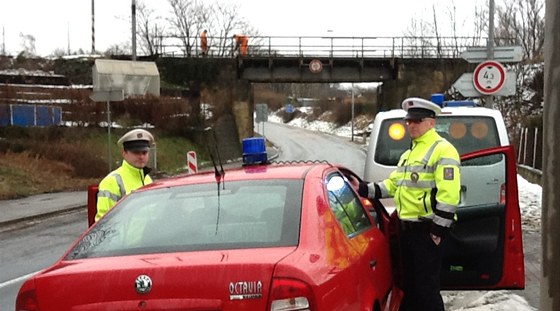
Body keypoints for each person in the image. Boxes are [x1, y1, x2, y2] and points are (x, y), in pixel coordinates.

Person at [353, 97, 461, 311]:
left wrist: (437, 231)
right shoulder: (409, 154)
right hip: (408, 231)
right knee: (410, 287)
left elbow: (449, 195)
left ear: (431, 122)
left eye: (417, 121)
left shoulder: (443, 150)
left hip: (427, 231)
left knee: (426, 290)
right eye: (409, 121)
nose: (411, 125)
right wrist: (364, 189)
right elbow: (393, 185)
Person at [95, 129, 155, 222]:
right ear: (124, 154)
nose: (141, 156)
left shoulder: (147, 179)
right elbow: (103, 222)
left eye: (144, 152)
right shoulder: (111, 181)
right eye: (136, 152)